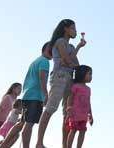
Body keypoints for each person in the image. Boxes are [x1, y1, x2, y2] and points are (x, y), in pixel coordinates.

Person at [36, 19, 87, 148]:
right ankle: (39, 142)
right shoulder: (60, 42)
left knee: (67, 113)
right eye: (73, 28)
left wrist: (72, 57)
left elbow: (75, 64)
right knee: (51, 108)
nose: (75, 31)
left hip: (69, 78)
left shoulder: (70, 46)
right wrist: (75, 52)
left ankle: (65, 145)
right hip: (59, 76)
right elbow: (67, 60)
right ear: (66, 28)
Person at [0, 42, 52, 148]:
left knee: (21, 123)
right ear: (48, 48)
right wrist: (45, 94)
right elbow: (42, 78)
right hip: (35, 96)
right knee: (29, 123)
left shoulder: (35, 61)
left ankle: (3, 146)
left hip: (27, 95)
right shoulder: (45, 61)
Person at [66, 65, 93, 148]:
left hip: (84, 115)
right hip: (75, 113)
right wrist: (69, 109)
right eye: (89, 74)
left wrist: (90, 114)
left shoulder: (88, 89)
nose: (91, 76)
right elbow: (70, 97)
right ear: (82, 74)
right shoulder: (76, 86)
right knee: (73, 130)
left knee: (83, 131)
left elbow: (89, 102)